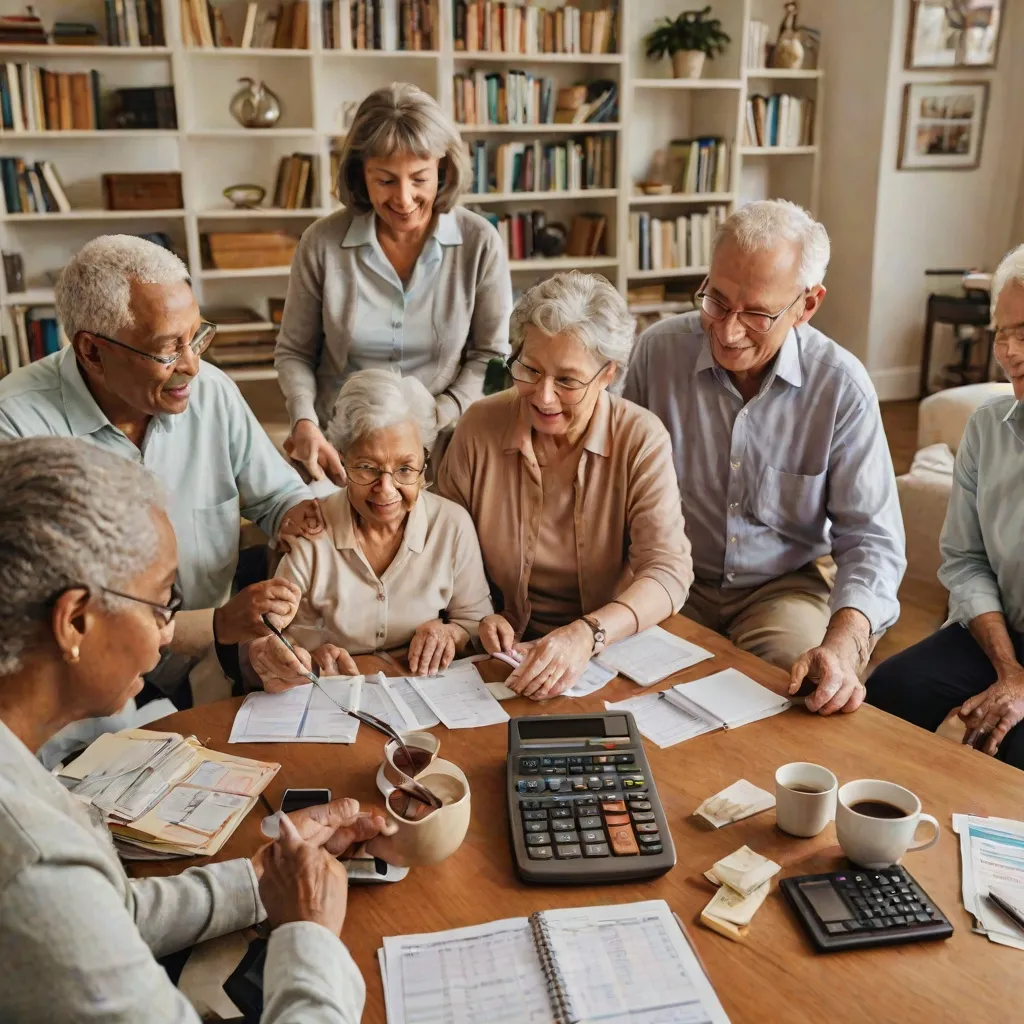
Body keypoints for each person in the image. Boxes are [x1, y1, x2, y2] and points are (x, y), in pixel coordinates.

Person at [0, 436, 398, 1023]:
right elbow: (58, 896)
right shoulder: (32, 859)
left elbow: (101, 915)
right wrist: (309, 933)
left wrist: (261, 878)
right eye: (165, 600)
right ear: (76, 620)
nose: (168, 634)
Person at [0, 235, 323, 709]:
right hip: (86, 701)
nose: (193, 365)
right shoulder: (16, 429)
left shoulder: (211, 391)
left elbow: (278, 500)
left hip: (216, 667)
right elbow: (52, 610)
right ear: (92, 352)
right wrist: (214, 624)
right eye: (169, 349)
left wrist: (311, 516)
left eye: (196, 336)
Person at [624, 199, 906, 716]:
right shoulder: (657, 352)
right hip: (667, 573)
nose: (728, 332)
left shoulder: (841, 387)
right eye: (716, 301)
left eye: (756, 314)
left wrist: (844, 645)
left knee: (801, 693)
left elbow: (872, 539)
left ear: (807, 304)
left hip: (780, 589)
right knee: (627, 685)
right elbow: (612, 486)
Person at [436, 271, 693, 700]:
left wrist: (588, 633)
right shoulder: (479, 426)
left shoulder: (641, 438)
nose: (543, 397)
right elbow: (440, 546)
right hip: (498, 651)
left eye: (568, 381)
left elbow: (668, 572)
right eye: (529, 370)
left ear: (608, 373)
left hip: (608, 649)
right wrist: (474, 617)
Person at [275, 82, 513, 483]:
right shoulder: (321, 243)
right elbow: (295, 352)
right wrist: (303, 418)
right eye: (385, 180)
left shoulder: (480, 242)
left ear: (444, 169)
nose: (404, 199)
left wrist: (442, 414)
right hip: (341, 448)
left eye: (419, 178)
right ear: (359, 174)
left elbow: (491, 356)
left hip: (446, 443)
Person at [867, 244, 1024, 766]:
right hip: (1000, 630)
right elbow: (966, 558)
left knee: (1011, 750)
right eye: (1002, 332)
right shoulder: (988, 428)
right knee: (889, 688)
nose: (1010, 352)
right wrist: (1009, 669)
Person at [248, 369, 493, 689]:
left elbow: (478, 624)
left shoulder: (451, 525)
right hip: (331, 697)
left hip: (426, 695)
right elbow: (272, 639)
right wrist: (300, 658)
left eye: (405, 469)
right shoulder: (311, 532)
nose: (387, 490)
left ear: (424, 461)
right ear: (343, 460)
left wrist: (451, 633)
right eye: (367, 468)